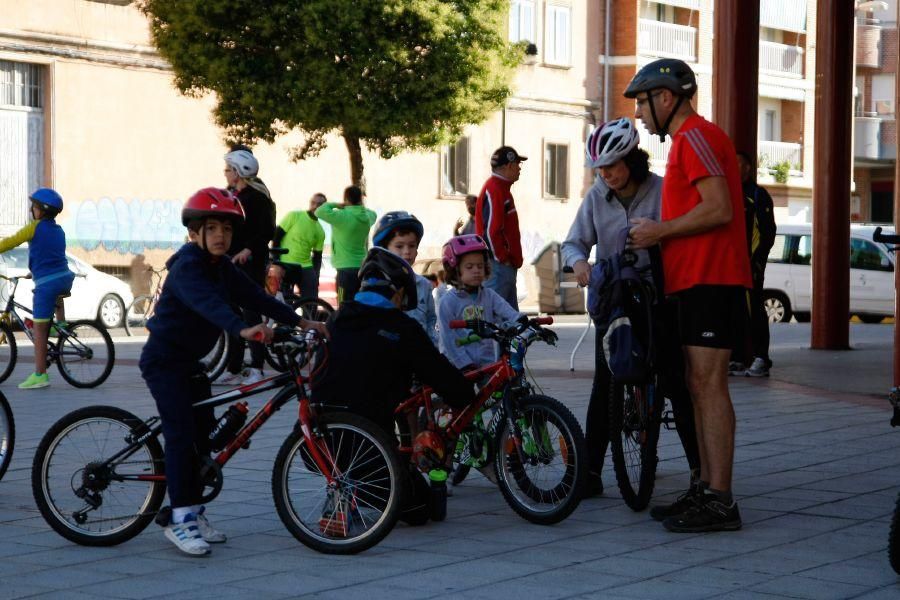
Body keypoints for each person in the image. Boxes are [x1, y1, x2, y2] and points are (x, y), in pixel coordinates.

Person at [139, 187, 325, 556]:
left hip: (191, 363)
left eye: (226, 228)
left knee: (202, 438)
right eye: (212, 228)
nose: (221, 235)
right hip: (164, 361)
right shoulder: (187, 267)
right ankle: (181, 520)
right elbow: (205, 303)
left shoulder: (222, 267)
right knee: (180, 437)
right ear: (195, 233)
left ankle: (191, 507)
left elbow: (255, 296)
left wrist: (303, 321)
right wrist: (241, 328)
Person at [626, 58, 751, 533]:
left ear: (665, 97)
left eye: (642, 100)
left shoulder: (695, 135)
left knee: (709, 385)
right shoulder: (686, 141)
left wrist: (660, 230)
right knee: (698, 385)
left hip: (712, 278)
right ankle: (707, 489)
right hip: (696, 280)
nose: (639, 112)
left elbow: (719, 208)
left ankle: (721, 499)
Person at [561, 118, 701, 498]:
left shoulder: (661, 190)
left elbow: (685, 231)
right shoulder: (595, 196)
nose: (607, 175)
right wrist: (579, 264)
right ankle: (588, 472)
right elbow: (573, 242)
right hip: (615, 299)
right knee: (605, 384)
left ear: (633, 160)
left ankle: (700, 474)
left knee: (676, 382)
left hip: (659, 298)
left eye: (613, 166)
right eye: (600, 169)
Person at [311, 247, 474, 437]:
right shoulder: (402, 327)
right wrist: (467, 395)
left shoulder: (336, 319)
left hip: (318, 441)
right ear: (398, 293)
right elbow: (437, 372)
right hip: (370, 449)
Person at [0, 188, 75, 390]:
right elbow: (50, 255)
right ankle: (61, 326)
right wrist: (34, 272)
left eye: (33, 207)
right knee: (53, 292)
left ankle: (40, 375)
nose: (31, 210)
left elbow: (11, 241)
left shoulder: (34, 228)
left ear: (41, 210)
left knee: (39, 331)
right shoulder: (59, 230)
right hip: (65, 278)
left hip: (48, 283)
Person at [217, 148, 276, 386]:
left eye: (228, 170)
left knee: (251, 313)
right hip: (230, 262)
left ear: (238, 172)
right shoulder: (231, 196)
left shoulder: (257, 197)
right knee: (231, 315)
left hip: (250, 263)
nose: (225, 174)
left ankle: (257, 367)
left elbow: (266, 231)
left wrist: (248, 250)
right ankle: (234, 367)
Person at [437, 234, 522, 372]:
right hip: (457, 364)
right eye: (469, 267)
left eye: (480, 266)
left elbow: (507, 310)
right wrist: (463, 363)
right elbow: (447, 338)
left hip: (486, 360)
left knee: (497, 390)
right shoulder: (448, 302)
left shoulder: (489, 295)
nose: (476, 270)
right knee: (464, 393)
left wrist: (522, 321)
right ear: (455, 271)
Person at [729, 151, 776, 378]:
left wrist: (757, 262)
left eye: (738, 163)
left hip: (750, 265)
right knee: (733, 310)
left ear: (748, 168)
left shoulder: (758, 195)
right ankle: (736, 358)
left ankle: (761, 358)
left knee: (754, 310)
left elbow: (768, 233)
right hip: (728, 265)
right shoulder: (725, 194)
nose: (733, 168)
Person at [372, 211, 437, 343]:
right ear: (385, 250)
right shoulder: (376, 284)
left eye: (412, 246)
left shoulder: (424, 285)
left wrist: (433, 346)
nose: (407, 251)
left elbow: (431, 320)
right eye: (399, 246)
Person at [475, 146, 526, 310]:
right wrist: (502, 258)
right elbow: (491, 231)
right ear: (509, 165)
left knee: (509, 320)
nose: (519, 169)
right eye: (518, 164)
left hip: (504, 266)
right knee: (497, 317)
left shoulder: (500, 189)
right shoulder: (495, 189)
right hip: (499, 267)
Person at [315, 185, 376, 306]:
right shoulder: (367, 217)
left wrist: (337, 205)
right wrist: (359, 206)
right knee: (359, 304)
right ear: (360, 199)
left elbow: (319, 211)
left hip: (344, 269)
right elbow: (373, 213)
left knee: (343, 305)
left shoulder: (341, 216)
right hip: (362, 267)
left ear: (346, 199)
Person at [271, 192, 327, 299]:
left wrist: (316, 277)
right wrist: (276, 260)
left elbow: (317, 257)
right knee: (285, 300)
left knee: (311, 296)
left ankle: (309, 315)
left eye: (319, 205)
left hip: (305, 266)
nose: (315, 206)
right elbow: (277, 237)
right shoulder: (294, 216)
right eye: (313, 203)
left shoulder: (320, 231)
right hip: (285, 263)